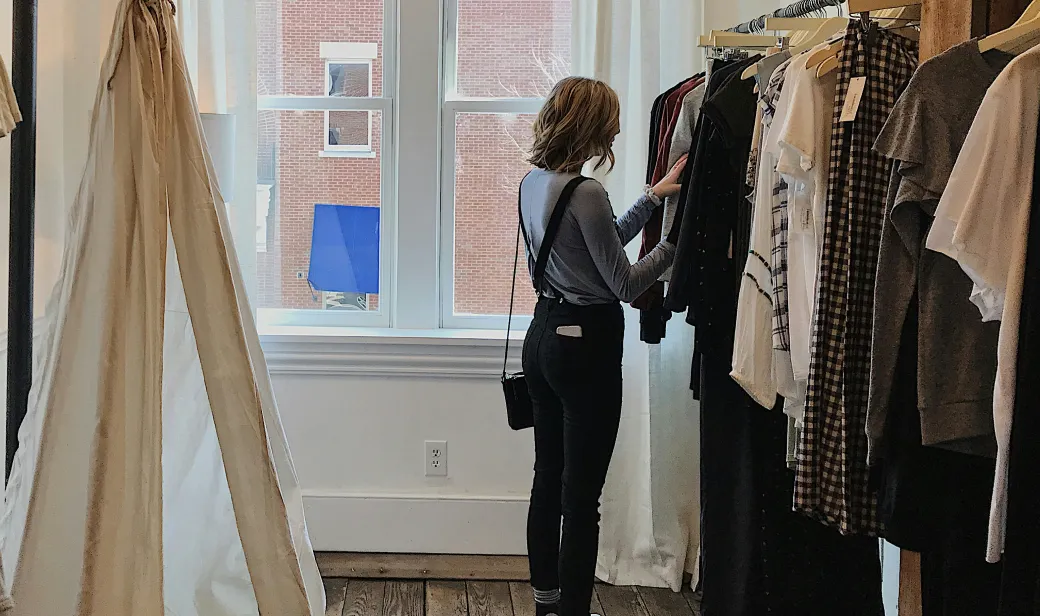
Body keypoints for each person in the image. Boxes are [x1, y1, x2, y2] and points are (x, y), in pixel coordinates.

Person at [519, 76, 687, 616]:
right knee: (581, 498)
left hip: (543, 336)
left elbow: (597, 239)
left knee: (547, 481)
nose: (616, 129)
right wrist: (673, 245)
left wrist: (650, 198)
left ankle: (547, 601)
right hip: (585, 350)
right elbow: (624, 283)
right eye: (610, 120)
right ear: (591, 125)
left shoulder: (534, 183)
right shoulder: (586, 191)